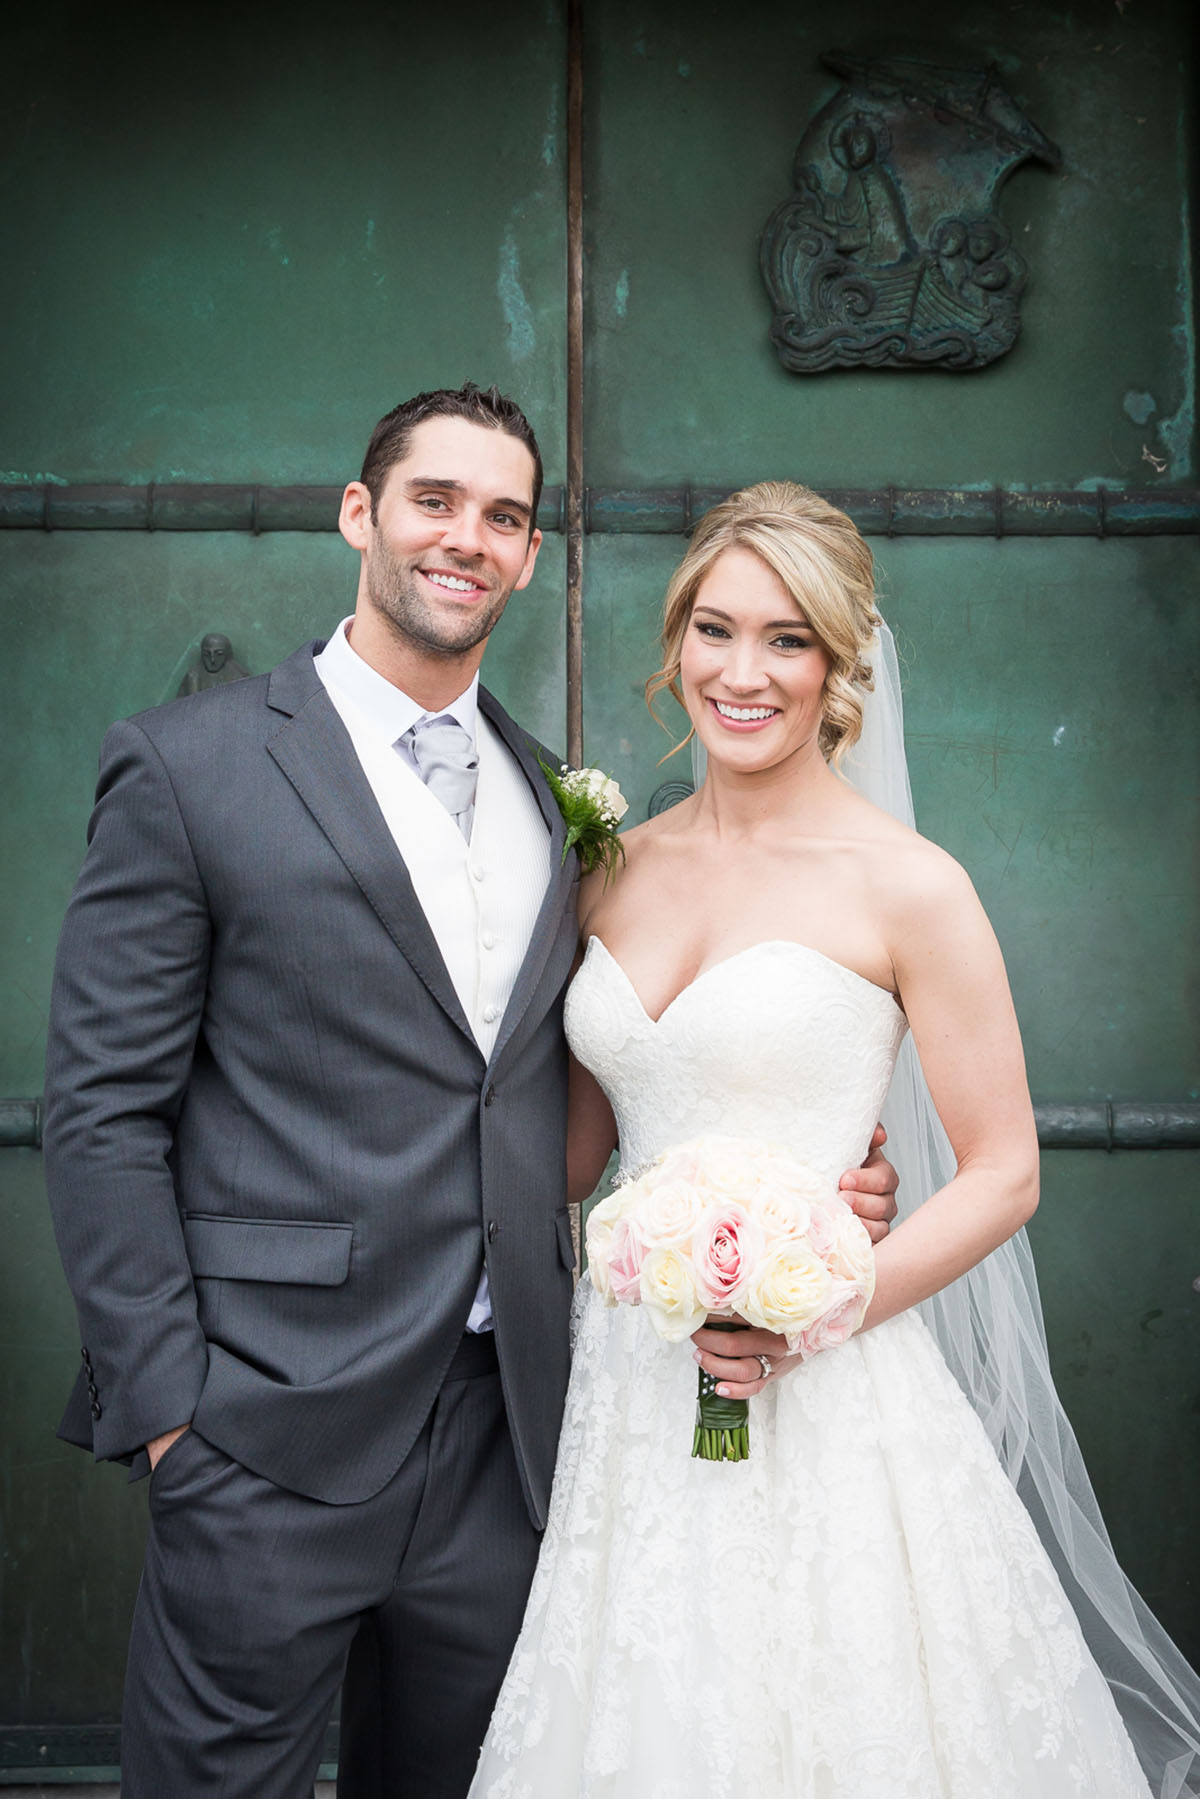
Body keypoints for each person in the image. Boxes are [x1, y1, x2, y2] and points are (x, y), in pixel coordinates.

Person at [41, 393, 898, 1799]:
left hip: (514, 1440)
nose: (469, 539)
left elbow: (593, 1095)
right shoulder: (187, 767)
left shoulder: (556, 796)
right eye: (435, 500)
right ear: (359, 513)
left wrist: (812, 1189)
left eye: (504, 516)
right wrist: (172, 1417)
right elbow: (100, 1113)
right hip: (261, 1434)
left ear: (531, 552)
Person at [469, 481, 1200, 1798]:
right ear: (677, 640)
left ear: (843, 662)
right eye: (714, 628)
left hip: (835, 1383)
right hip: (635, 1383)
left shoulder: (908, 886)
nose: (741, 673)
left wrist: (817, 1305)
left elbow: (1003, 1172)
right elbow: (577, 1154)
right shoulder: (607, 869)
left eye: (788, 638)